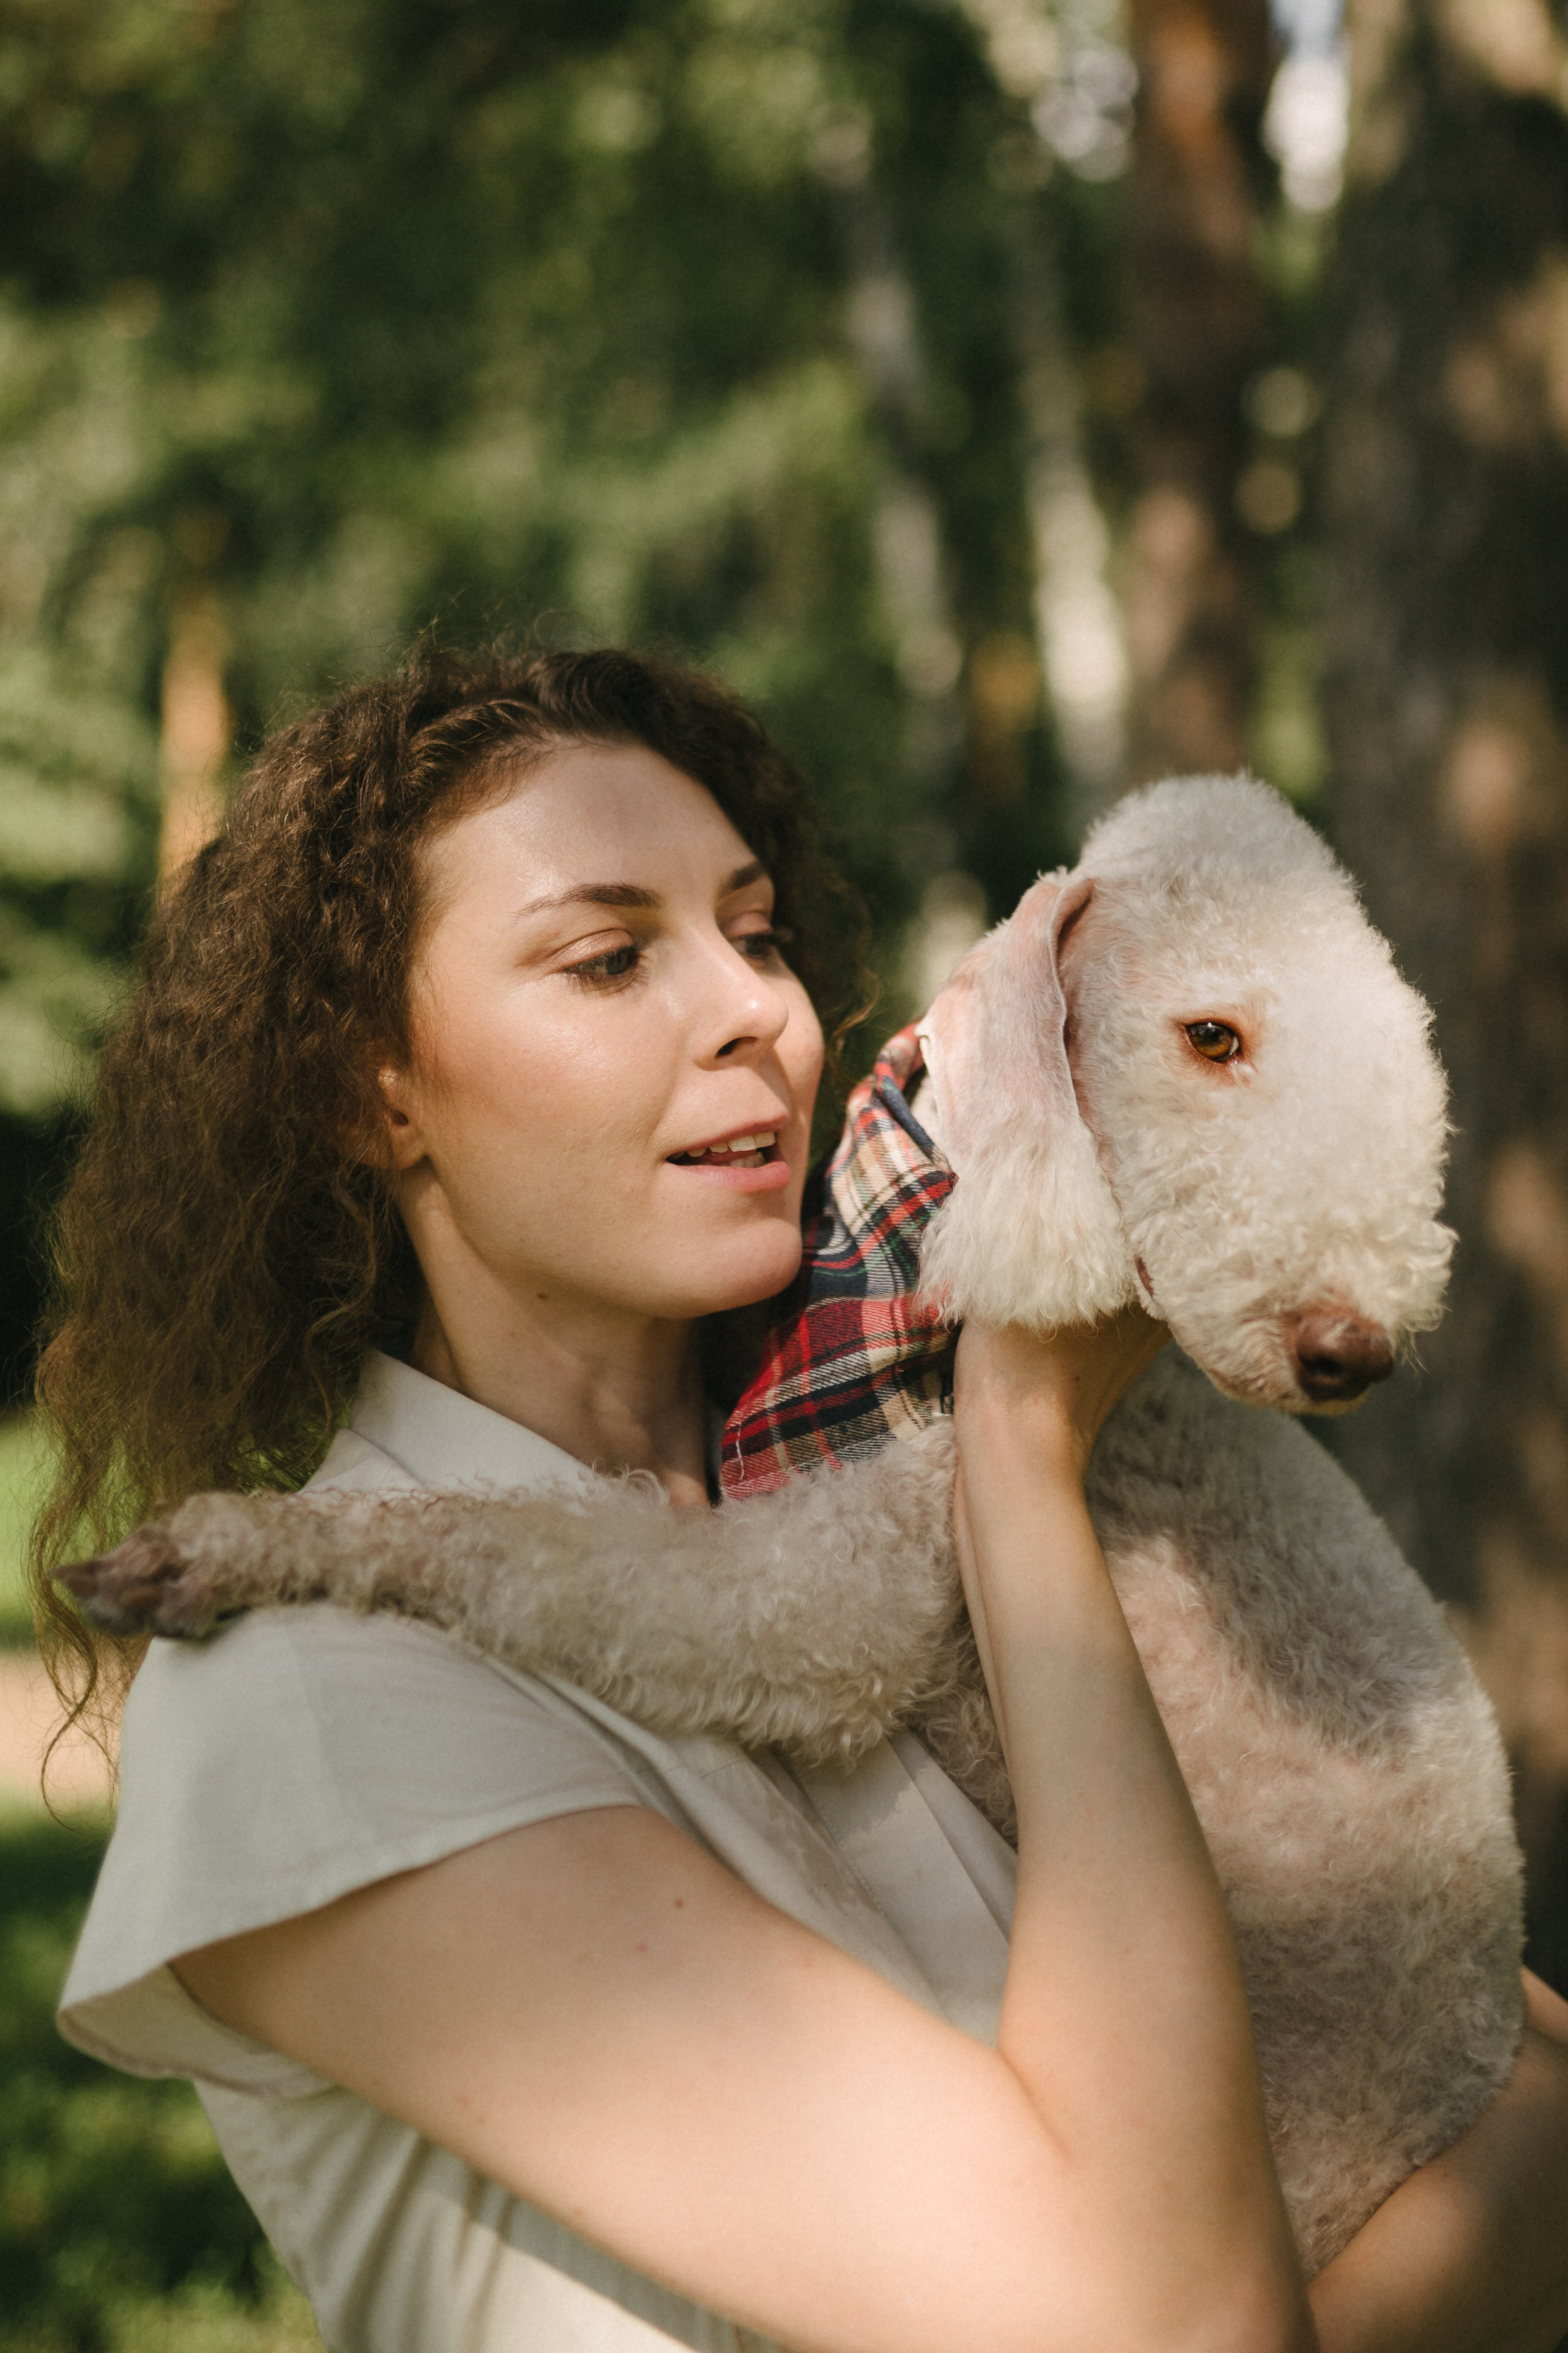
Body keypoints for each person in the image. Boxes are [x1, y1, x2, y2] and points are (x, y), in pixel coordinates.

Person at [36, 647, 1568, 2353]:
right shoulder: (313, 1696)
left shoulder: (852, 1485)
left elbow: (1482, 2048)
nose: (758, 1013)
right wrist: (1017, 1455)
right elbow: (1176, 2324)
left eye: (753, 931)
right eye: (611, 956)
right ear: (370, 1085)